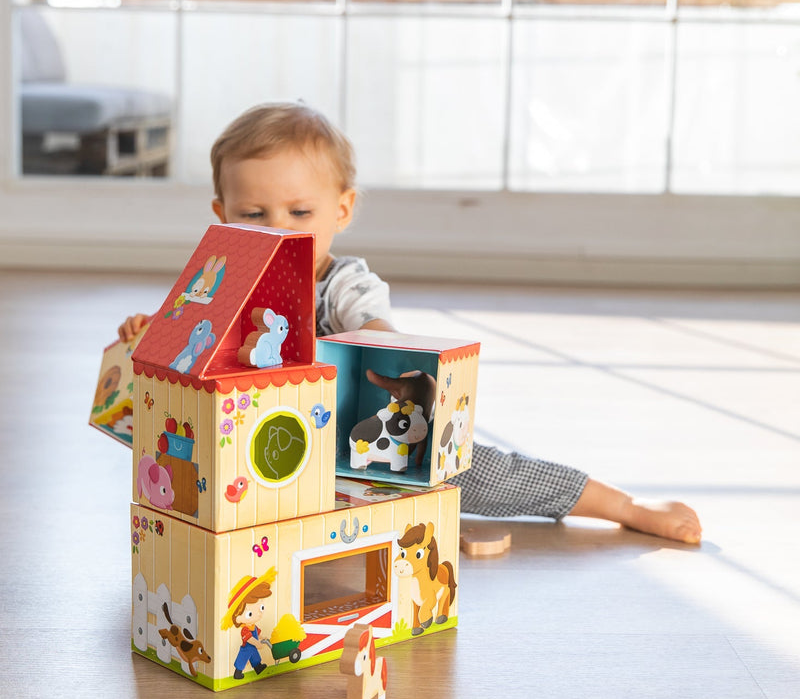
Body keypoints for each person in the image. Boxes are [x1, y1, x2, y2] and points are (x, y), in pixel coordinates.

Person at [120, 101, 702, 545]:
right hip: (263, 448)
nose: (280, 228)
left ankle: (623, 507)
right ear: (222, 217)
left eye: (300, 212)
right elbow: (193, 346)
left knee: (475, 471)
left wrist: (368, 341)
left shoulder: (343, 282)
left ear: (341, 210)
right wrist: (155, 335)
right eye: (254, 214)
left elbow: (376, 331)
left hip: (357, 436)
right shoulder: (223, 278)